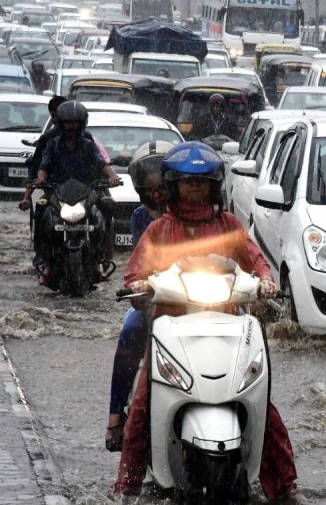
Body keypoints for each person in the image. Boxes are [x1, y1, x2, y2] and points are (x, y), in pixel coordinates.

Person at [113, 142, 304, 503]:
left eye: (201, 183)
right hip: (174, 329)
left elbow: (256, 258)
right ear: (173, 186)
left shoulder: (229, 224)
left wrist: (265, 280)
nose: (195, 190)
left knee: (262, 403)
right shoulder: (158, 230)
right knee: (143, 403)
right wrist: (137, 285)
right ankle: (126, 488)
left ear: (214, 186)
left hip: (228, 324)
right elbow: (135, 273)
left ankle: (285, 489)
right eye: (187, 183)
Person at [104, 140, 173, 453]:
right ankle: (117, 416)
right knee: (131, 333)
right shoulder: (140, 218)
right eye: (150, 189)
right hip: (158, 299)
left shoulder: (205, 212)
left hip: (203, 300)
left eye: (162, 187)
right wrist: (140, 285)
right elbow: (138, 264)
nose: (157, 194)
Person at [35, 101, 122, 285]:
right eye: (68, 123)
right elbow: (44, 166)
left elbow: (102, 163)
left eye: (75, 123)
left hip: (86, 192)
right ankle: (46, 262)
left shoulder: (89, 145)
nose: (71, 127)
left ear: (82, 124)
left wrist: (113, 176)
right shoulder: (52, 144)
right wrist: (41, 178)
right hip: (57, 193)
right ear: (60, 124)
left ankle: (102, 260)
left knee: (105, 210)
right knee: (40, 210)